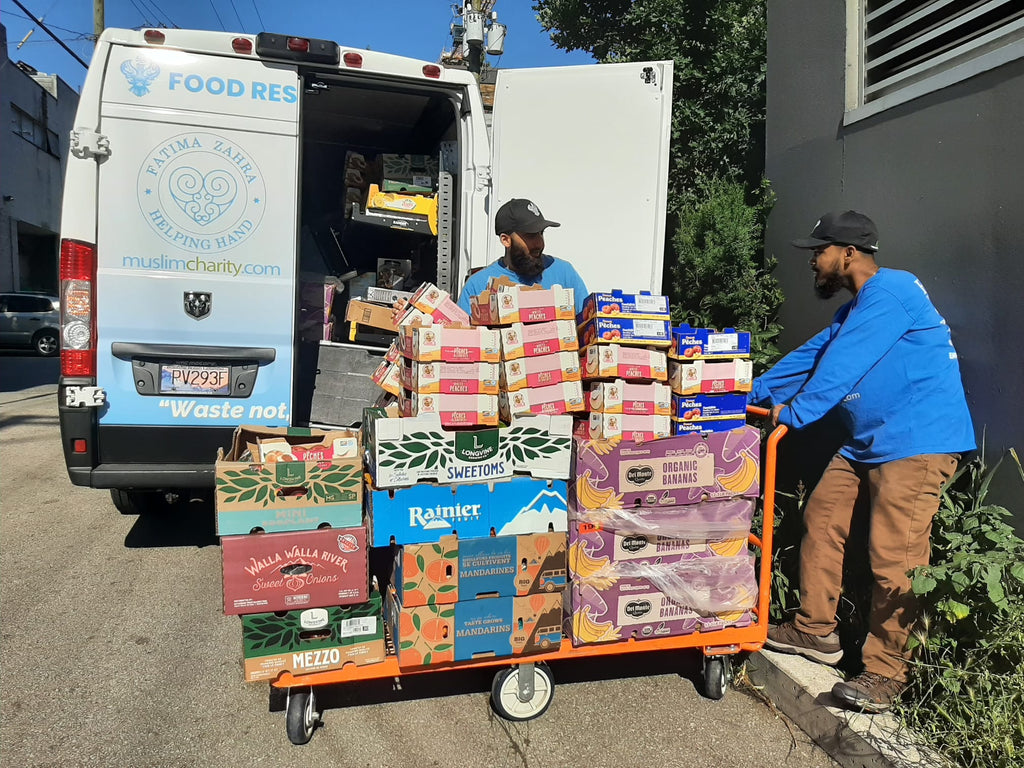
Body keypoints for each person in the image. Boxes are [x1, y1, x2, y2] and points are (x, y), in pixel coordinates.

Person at [753, 210, 975, 713]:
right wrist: (747, 390)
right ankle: (815, 631)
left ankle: (886, 673)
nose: (813, 260)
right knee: (823, 516)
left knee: (894, 556)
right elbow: (816, 355)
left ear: (848, 254)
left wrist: (798, 412)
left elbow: (841, 365)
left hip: (916, 441)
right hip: (866, 441)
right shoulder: (853, 312)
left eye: (819, 250)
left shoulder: (892, 291)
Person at [456, 198, 589, 315]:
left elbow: (588, 326)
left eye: (541, 233)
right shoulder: (478, 285)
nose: (540, 243)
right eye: (530, 236)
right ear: (506, 240)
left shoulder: (563, 272)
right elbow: (460, 337)